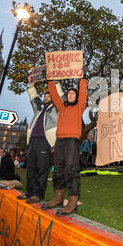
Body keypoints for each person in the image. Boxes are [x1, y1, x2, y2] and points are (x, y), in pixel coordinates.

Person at [43, 77, 87, 216]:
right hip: (60, 141)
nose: (70, 95)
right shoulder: (61, 108)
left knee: (71, 169)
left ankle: (72, 202)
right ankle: (58, 198)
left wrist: (83, 79)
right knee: (58, 169)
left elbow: (84, 92)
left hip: (72, 141)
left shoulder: (79, 107)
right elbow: (54, 95)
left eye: (73, 94)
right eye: (69, 94)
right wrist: (50, 80)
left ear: (77, 97)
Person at [17, 79, 65, 204]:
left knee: (41, 169)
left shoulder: (55, 109)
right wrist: (31, 85)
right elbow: (33, 97)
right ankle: (30, 192)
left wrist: (56, 82)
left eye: (49, 96)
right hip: (32, 141)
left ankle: (38, 194)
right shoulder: (39, 108)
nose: (46, 97)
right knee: (31, 168)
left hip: (45, 141)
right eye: (45, 96)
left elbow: (60, 96)